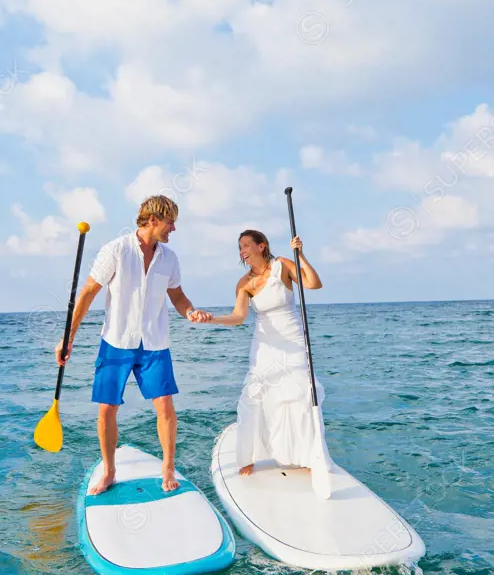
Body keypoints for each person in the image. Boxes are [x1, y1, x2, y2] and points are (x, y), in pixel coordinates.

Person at [55, 195, 213, 494]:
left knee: (165, 406)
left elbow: (177, 296)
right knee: (106, 409)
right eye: (170, 223)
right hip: (116, 340)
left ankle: (167, 467)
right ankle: (109, 470)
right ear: (152, 220)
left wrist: (190, 311)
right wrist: (68, 338)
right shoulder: (116, 250)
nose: (173, 229)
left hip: (154, 342)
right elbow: (88, 292)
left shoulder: (169, 258)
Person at [196, 230, 326, 477]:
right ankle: (249, 456)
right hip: (265, 345)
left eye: (246, 245)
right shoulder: (244, 283)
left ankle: (308, 456)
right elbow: (239, 317)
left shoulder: (283, 266)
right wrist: (212, 318)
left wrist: (300, 255)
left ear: (261, 246)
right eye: (240, 247)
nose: (242, 251)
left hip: (293, 340)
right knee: (257, 396)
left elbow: (313, 284)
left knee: (300, 396)